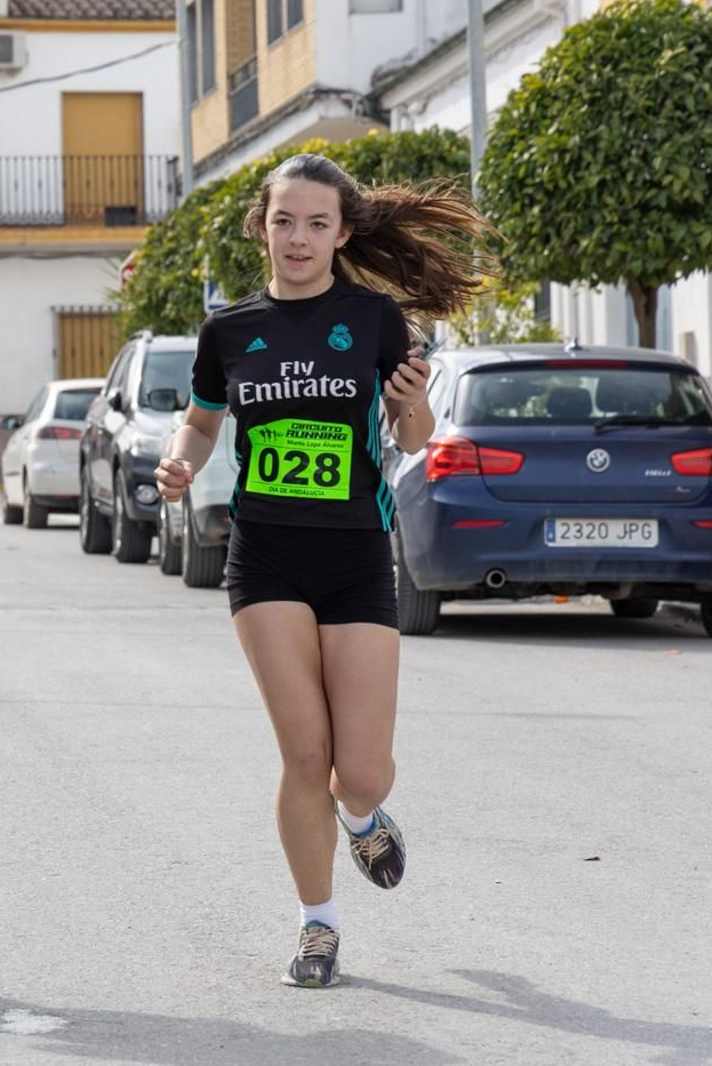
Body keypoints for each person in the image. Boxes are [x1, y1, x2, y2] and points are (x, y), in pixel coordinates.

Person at [155, 153, 488, 988]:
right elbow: (199, 425)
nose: (298, 238)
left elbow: (414, 440)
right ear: (260, 227)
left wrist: (410, 396)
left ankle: (365, 814)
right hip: (263, 558)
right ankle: (317, 925)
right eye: (283, 221)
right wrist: (179, 462)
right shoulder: (227, 330)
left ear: (342, 233)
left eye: (315, 223)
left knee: (359, 769)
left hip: (354, 558)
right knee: (304, 755)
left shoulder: (373, 320)